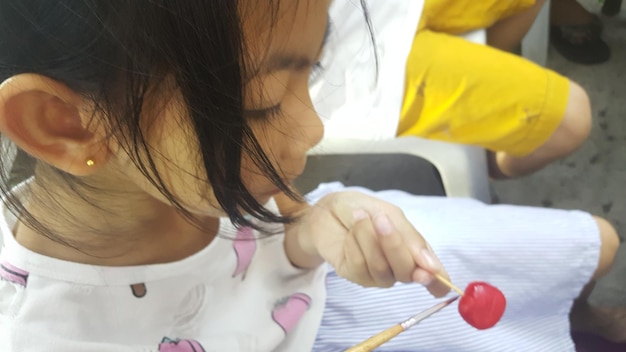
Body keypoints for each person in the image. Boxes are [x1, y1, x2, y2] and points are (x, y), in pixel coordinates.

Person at [0, 1, 623, 351]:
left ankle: (578, 319)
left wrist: (327, 223)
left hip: (317, 286)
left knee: (597, 242)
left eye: (313, 71)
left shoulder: (190, 176)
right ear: (64, 122)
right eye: (264, 103)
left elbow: (278, 226)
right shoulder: (45, 335)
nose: (314, 129)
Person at [310, 0, 592, 178]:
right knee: (569, 119)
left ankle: (483, 103)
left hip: (360, 9)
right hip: (343, 66)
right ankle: (489, 161)